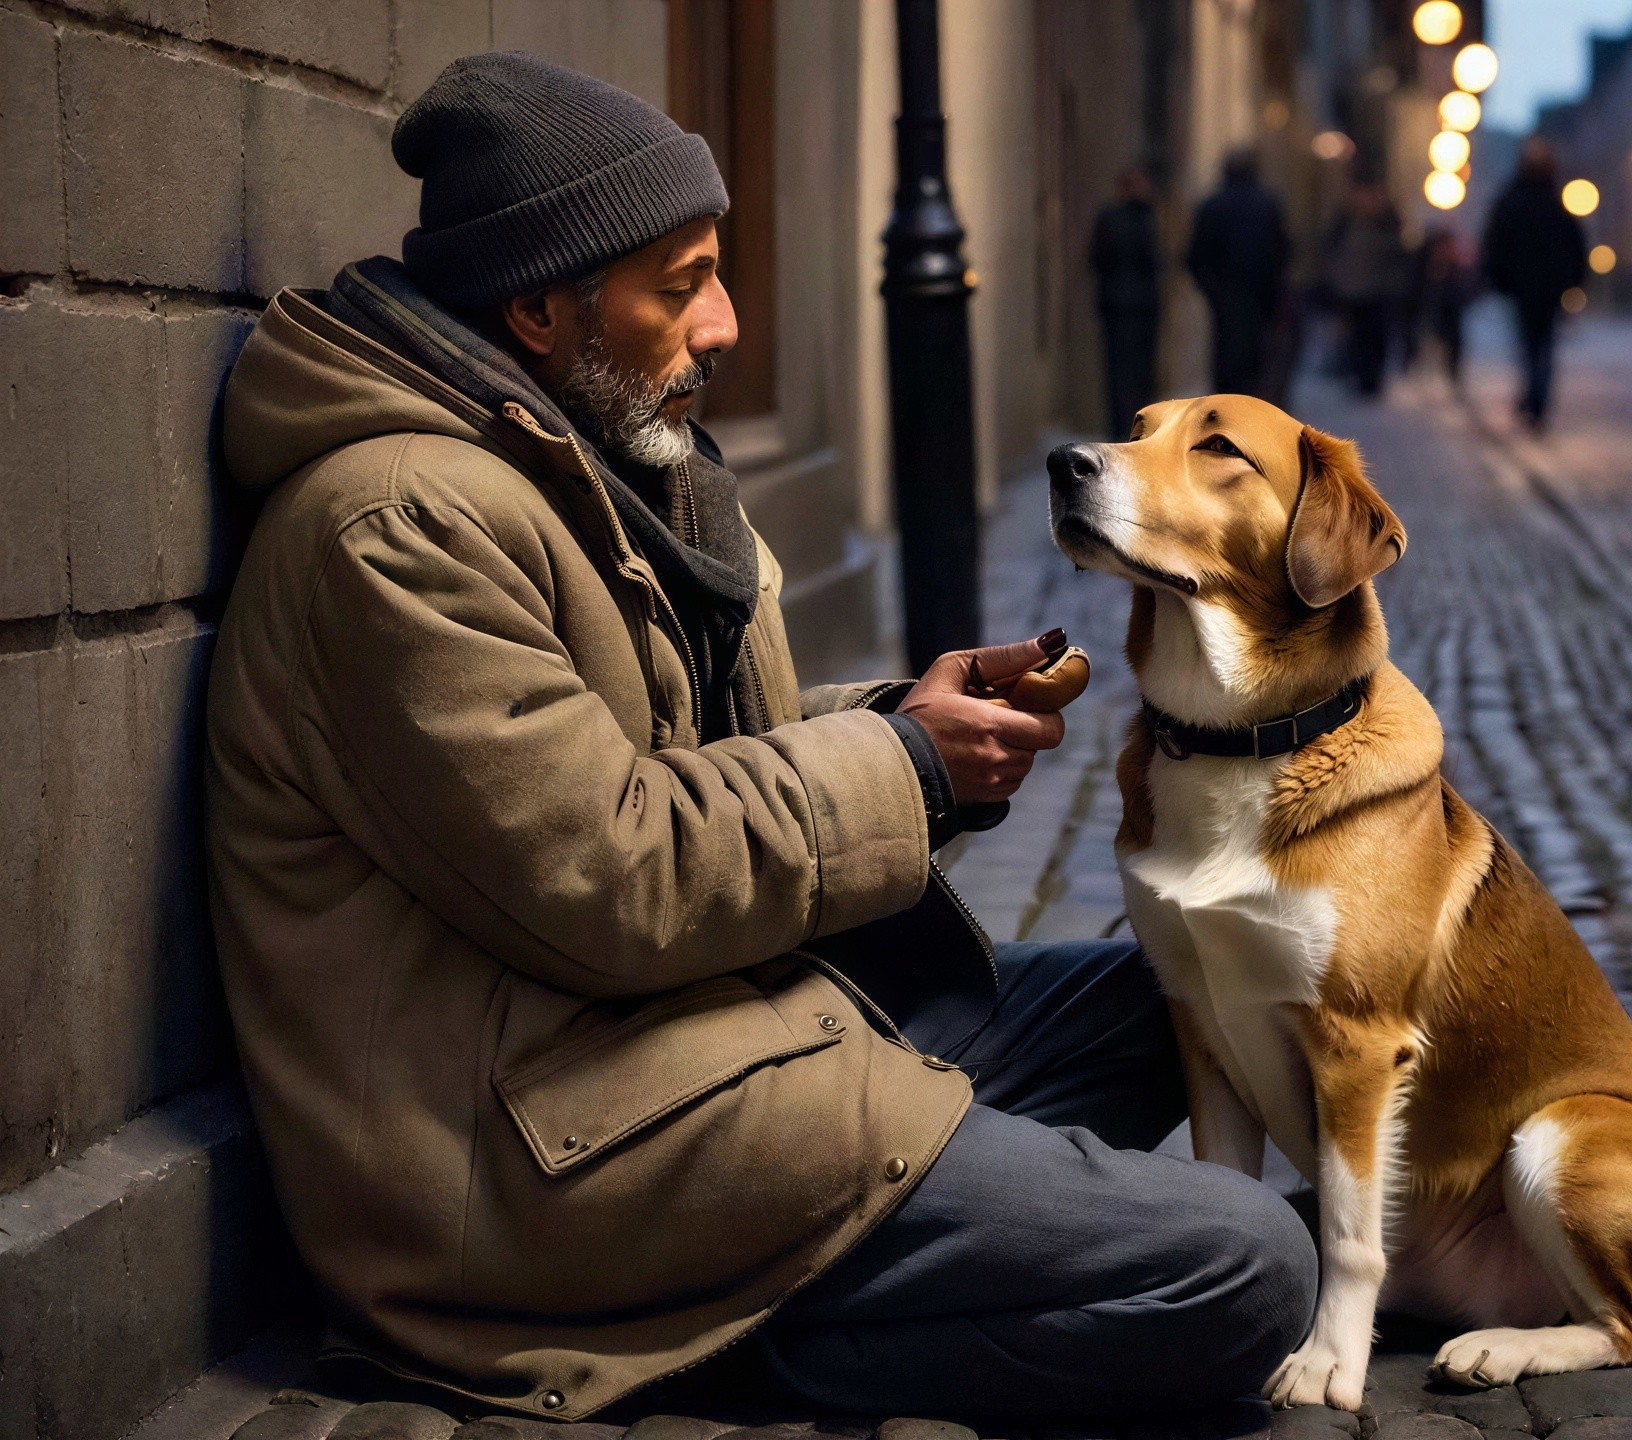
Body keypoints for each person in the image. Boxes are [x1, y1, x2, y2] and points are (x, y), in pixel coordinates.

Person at [205, 54, 1314, 1427]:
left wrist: (914, 728)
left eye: (718, 274)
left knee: (1197, 997)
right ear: (541, 306)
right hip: (558, 1171)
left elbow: (707, 762)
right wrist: (902, 772)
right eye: (680, 285)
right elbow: (613, 873)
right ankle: (726, 1345)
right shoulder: (398, 526)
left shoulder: (592, 463)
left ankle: (940, 1227)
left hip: (718, 1037)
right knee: (1251, 1267)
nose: (725, 325)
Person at [1482, 138, 1588, 432]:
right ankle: (1536, 401)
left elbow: (1494, 243)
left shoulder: (1512, 199)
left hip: (1523, 288)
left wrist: (1497, 278)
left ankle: (1533, 400)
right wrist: (1574, 280)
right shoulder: (1556, 202)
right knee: (1542, 346)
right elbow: (1576, 245)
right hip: (1545, 288)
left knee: (1530, 346)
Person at [1186, 150, 1293, 398]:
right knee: (1255, 363)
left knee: (1227, 362)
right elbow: (1282, 253)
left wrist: (1213, 292)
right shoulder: (1267, 205)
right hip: (1259, 297)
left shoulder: (1212, 206)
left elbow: (1195, 257)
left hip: (1227, 298)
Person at [1089, 165, 1161, 436]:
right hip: (1132, 308)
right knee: (1131, 375)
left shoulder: (1115, 218)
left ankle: (1125, 428)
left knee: (1122, 375)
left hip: (1121, 307)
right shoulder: (1139, 219)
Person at [1326, 180, 1409, 398]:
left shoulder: (1387, 221)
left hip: (1380, 291)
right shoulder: (1345, 220)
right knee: (1358, 337)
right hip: (1353, 292)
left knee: (1376, 337)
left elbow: (1399, 255)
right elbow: (1331, 252)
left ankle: (1372, 378)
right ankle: (1361, 377)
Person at [1414, 228, 1479, 383]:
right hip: (1427, 317)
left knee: (1453, 348)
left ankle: (1453, 377)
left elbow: (1467, 292)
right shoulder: (1421, 268)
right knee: (1426, 350)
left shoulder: (1457, 268)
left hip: (1450, 316)